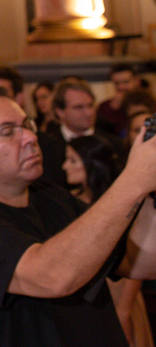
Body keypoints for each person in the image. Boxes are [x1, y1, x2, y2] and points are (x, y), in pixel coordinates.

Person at [0, 86, 156, 346]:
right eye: (7, 132)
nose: (29, 137)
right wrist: (133, 180)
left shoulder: (51, 195)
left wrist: (150, 188)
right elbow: (53, 277)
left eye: (27, 125)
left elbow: (141, 262)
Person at [63, 135, 154, 347]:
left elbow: (135, 261)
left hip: (120, 291)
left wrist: (124, 310)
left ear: (92, 164)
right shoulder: (68, 201)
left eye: (73, 160)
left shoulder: (122, 203)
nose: (64, 166)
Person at [39, 77, 120, 186]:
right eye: (79, 107)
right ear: (60, 112)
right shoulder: (45, 146)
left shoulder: (113, 143)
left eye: (90, 105)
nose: (88, 113)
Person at [100, 64, 143, 139]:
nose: (121, 87)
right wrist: (113, 109)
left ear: (137, 81)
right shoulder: (105, 107)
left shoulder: (148, 103)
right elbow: (104, 133)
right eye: (117, 83)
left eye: (126, 82)